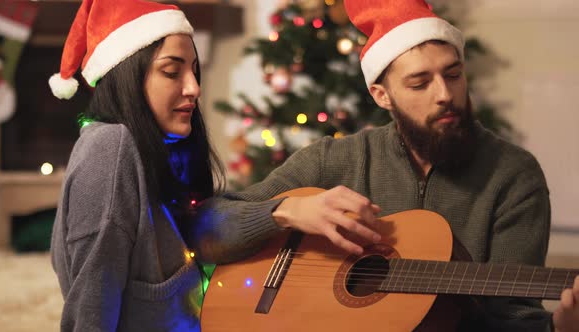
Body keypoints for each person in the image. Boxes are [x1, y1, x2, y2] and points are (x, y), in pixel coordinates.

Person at [189, 0, 579, 331]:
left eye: (454, 74)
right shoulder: (335, 159)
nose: (445, 94)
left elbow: (514, 319)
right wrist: (287, 211)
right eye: (419, 83)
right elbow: (206, 227)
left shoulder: (512, 175)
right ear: (381, 94)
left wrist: (560, 324)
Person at [49, 0, 225, 331]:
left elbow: (210, 222)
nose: (194, 88)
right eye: (172, 72)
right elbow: (91, 309)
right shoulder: (110, 148)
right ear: (127, 76)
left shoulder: (158, 151)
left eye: (194, 71)